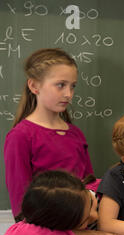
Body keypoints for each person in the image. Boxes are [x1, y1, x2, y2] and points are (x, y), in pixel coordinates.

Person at [4, 48, 99, 220]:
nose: (68, 94)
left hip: (82, 221)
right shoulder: (21, 136)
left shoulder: (75, 133)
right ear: (34, 86)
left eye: (72, 86)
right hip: (44, 229)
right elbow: (20, 204)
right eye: (60, 85)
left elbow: (89, 183)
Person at [1, 170, 120, 235]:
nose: (97, 216)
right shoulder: (52, 216)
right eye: (84, 221)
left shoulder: (106, 188)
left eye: (92, 204)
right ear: (61, 226)